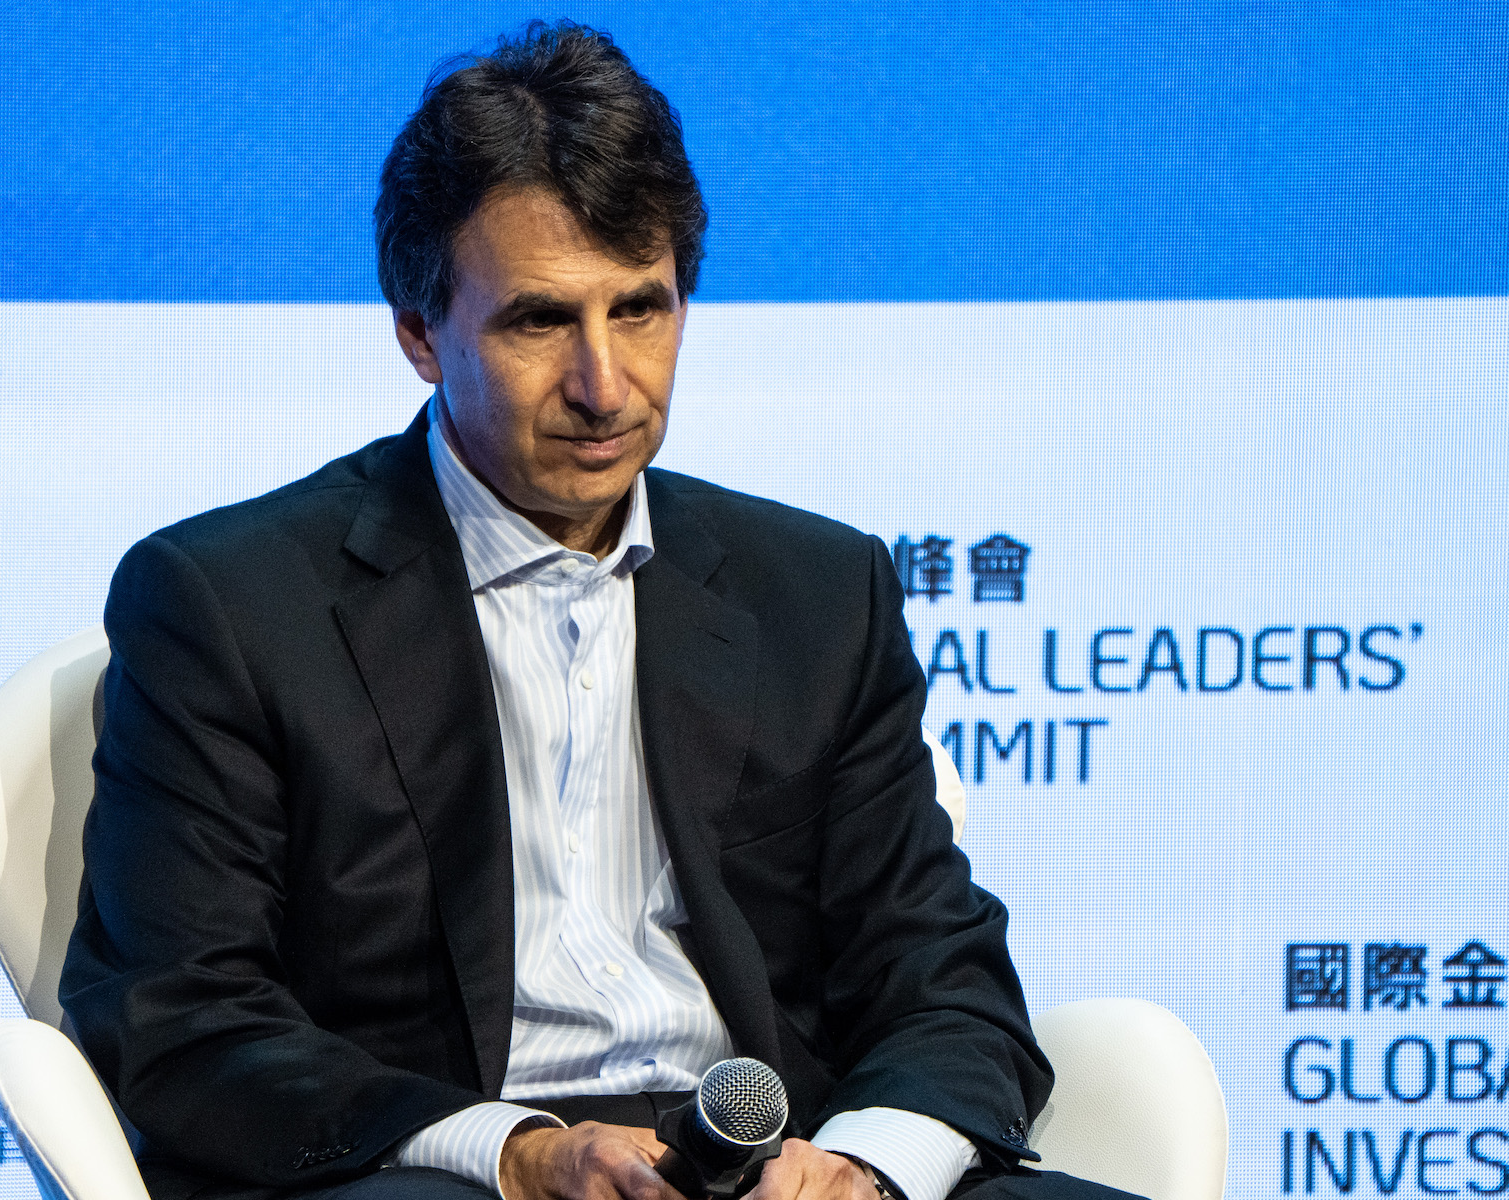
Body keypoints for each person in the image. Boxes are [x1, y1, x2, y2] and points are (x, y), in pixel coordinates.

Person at [63, 22, 1130, 1200]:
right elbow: (181, 1020)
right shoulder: (227, 602)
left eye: (642, 309)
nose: (605, 386)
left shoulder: (821, 593)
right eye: (538, 321)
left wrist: (867, 1169)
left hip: (778, 1167)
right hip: (440, 1169)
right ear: (421, 333)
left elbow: (946, 980)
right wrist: (515, 1152)